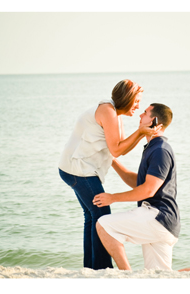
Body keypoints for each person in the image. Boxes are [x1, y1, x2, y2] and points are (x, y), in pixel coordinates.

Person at [58, 79, 156, 270]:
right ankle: (102, 268)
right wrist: (140, 131)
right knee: (102, 215)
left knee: (92, 215)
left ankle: (91, 268)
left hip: (78, 168)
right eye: (136, 101)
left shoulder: (115, 114)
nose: (138, 106)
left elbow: (120, 148)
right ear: (126, 99)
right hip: (78, 169)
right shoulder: (107, 111)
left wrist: (140, 133)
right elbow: (117, 150)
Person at [92, 103, 179, 271]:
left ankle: (127, 275)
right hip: (165, 223)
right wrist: (111, 158)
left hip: (157, 217)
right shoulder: (154, 148)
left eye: (145, 113)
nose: (140, 115)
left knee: (103, 225)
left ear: (153, 121)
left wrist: (113, 198)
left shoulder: (160, 150)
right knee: (159, 277)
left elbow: (148, 190)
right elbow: (138, 182)